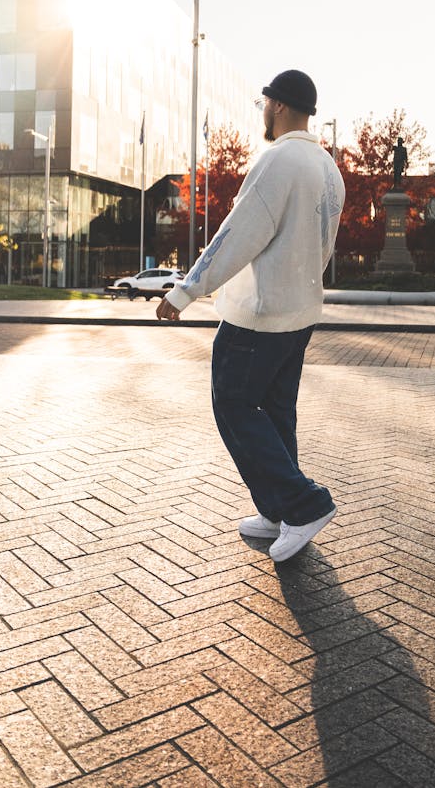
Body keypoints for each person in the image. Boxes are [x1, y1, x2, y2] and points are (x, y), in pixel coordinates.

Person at [156, 69, 345, 562]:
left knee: (235, 406)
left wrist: (184, 292)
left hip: (258, 317)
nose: (263, 111)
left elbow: (237, 235)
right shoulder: (328, 168)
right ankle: (279, 511)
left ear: (279, 106)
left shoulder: (278, 161)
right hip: (300, 312)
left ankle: (305, 504)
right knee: (277, 412)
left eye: (265, 103)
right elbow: (326, 246)